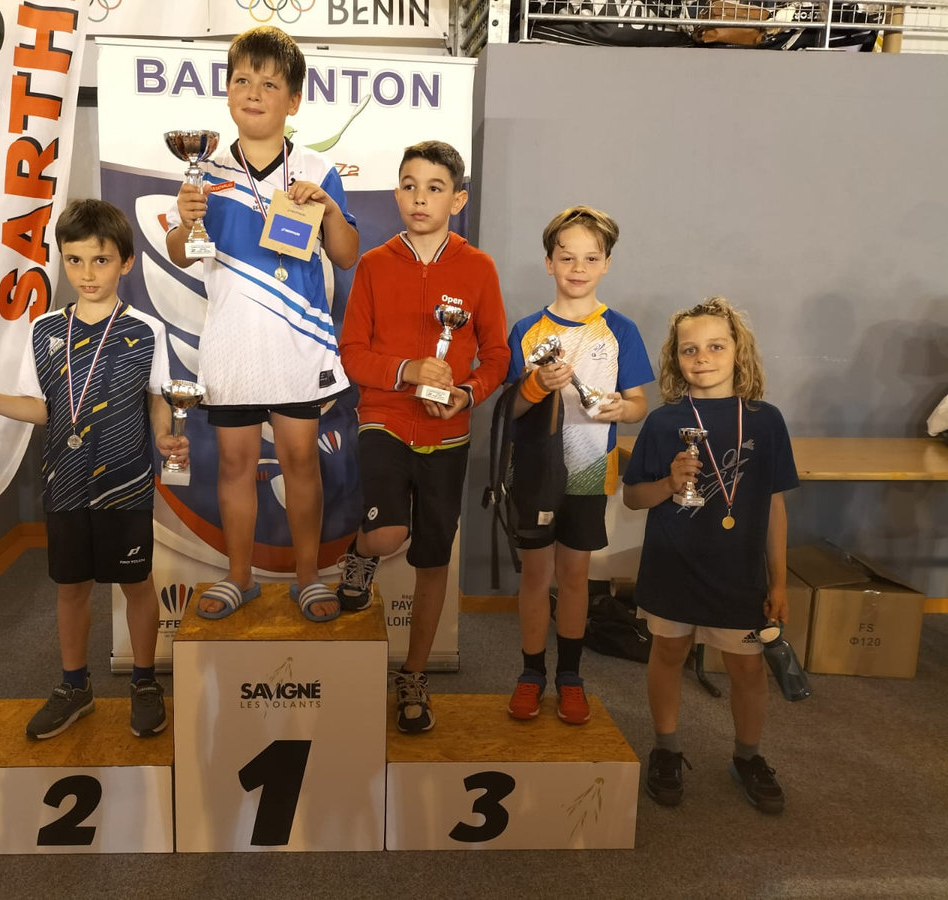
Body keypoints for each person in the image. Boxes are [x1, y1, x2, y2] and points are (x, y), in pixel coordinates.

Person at [0, 199, 187, 740]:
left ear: (125, 263)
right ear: (62, 261)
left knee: (136, 582)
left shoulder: (147, 330)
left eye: (100, 260)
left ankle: (144, 681)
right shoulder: (45, 329)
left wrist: (165, 436)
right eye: (74, 261)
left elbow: (157, 399)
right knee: (70, 586)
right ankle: (75, 686)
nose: (87, 274)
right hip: (65, 481)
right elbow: (41, 408)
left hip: (125, 481)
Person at [166, 25, 359, 623]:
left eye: (270, 84)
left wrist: (328, 208)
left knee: (302, 462)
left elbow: (346, 254)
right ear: (227, 91)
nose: (253, 92)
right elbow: (180, 254)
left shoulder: (317, 168)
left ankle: (308, 577)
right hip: (232, 345)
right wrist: (184, 221)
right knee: (234, 465)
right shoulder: (204, 170)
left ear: (293, 101)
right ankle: (239, 577)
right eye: (242, 80)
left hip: (299, 343)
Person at [335, 140, 509, 733]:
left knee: (433, 559)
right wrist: (407, 369)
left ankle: (414, 675)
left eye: (435, 188)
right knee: (389, 532)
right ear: (396, 194)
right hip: (384, 417)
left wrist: (468, 393)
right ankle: (360, 555)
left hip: (448, 431)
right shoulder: (374, 264)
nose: (419, 198)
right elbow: (352, 353)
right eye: (409, 185)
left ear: (457, 200)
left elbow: (497, 354)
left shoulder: (478, 268)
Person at [623, 296, 799, 814]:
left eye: (716, 346)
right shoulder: (663, 422)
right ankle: (666, 748)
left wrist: (779, 582)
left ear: (738, 350)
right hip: (673, 565)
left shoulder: (766, 421)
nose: (702, 358)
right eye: (689, 349)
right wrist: (668, 482)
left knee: (747, 669)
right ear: (675, 358)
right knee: (668, 654)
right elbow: (633, 498)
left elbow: (775, 507)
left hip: (737, 572)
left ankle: (748, 756)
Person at [505, 205, 652, 724]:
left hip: (590, 472)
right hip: (534, 474)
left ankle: (570, 676)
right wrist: (534, 386)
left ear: (606, 264)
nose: (578, 267)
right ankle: (530, 674)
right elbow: (509, 409)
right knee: (534, 575)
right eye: (566, 257)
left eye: (591, 258)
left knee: (575, 576)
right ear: (549, 262)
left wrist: (622, 409)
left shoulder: (620, 330)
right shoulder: (526, 330)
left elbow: (639, 403)